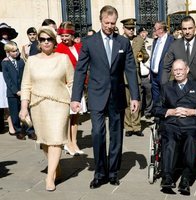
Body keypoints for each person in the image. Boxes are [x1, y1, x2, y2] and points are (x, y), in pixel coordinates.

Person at [71, 5, 140, 189]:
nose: (109, 26)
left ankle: (113, 172)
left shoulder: (123, 43)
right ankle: (99, 172)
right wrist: (75, 98)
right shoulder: (89, 42)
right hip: (96, 94)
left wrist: (135, 96)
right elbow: (80, 70)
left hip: (117, 95)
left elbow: (131, 69)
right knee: (98, 133)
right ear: (100, 21)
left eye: (112, 23)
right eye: (106, 22)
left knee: (116, 135)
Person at [19, 26, 74, 191]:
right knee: (44, 141)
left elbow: (71, 82)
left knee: (56, 139)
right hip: (38, 105)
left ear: (54, 41)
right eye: (42, 39)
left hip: (59, 105)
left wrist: (71, 100)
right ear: (38, 42)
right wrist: (23, 107)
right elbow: (26, 84)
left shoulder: (63, 59)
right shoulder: (32, 60)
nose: (45, 42)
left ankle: (49, 177)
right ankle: (55, 167)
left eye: (48, 39)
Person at [153, 59, 196, 195]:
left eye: (180, 69)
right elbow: (156, 109)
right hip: (171, 124)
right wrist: (169, 111)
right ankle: (167, 177)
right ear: (172, 72)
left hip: (190, 124)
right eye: (175, 70)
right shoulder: (167, 87)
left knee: (191, 140)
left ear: (187, 70)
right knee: (170, 140)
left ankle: (186, 178)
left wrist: (194, 112)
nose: (178, 72)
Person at [55, 21, 86, 156]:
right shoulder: (59, 49)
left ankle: (74, 142)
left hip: (79, 85)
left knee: (76, 116)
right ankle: (67, 143)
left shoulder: (80, 46)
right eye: (62, 36)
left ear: (72, 35)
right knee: (68, 116)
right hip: (66, 86)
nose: (64, 39)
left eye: (67, 36)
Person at [2, 41, 36, 140]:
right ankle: (18, 130)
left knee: (26, 111)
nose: (16, 52)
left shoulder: (21, 61)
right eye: (13, 51)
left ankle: (30, 130)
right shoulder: (5, 63)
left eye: (16, 50)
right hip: (12, 93)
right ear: (8, 52)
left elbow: (25, 76)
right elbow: (7, 79)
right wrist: (16, 91)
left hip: (23, 91)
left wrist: (24, 90)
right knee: (14, 113)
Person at [121, 18, 149, 137]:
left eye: (133, 28)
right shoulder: (119, 40)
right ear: (124, 28)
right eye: (129, 28)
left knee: (136, 101)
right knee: (126, 103)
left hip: (135, 76)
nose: (131, 30)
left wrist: (142, 57)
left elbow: (145, 55)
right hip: (122, 76)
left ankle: (137, 126)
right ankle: (128, 127)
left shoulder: (139, 40)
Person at [162, 16, 196, 85]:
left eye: (190, 28)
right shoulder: (174, 45)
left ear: (195, 27)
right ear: (181, 29)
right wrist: (165, 89)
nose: (187, 32)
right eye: (184, 29)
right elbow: (166, 68)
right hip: (178, 90)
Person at [0, 23, 18, 134]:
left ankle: (15, 124)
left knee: (13, 98)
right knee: (4, 100)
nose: (4, 33)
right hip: (2, 74)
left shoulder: (13, 44)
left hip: (13, 73)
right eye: (2, 31)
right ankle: (10, 125)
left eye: (6, 31)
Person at [150, 21, 174, 103]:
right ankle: (157, 113)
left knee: (165, 96)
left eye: (155, 29)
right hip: (154, 74)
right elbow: (153, 56)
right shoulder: (155, 40)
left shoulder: (172, 40)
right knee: (156, 96)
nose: (154, 31)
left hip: (164, 74)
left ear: (160, 29)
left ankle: (165, 114)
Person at [138, 27, 153, 119]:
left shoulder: (151, 42)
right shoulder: (136, 43)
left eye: (145, 32)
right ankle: (139, 112)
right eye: (142, 32)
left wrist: (151, 72)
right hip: (138, 74)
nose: (144, 34)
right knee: (139, 95)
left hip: (147, 73)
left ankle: (148, 112)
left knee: (149, 95)